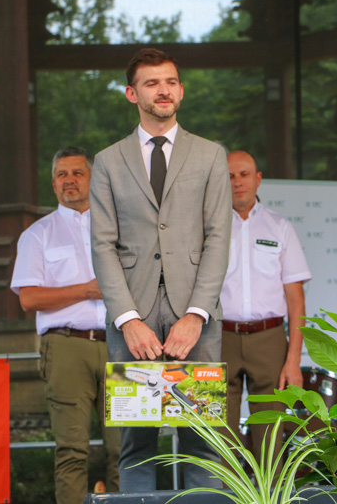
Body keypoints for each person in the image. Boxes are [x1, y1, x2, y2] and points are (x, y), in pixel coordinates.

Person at [89, 48, 232, 491]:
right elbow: (102, 244)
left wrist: (196, 314)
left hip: (198, 317)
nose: (163, 90)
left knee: (203, 438)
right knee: (136, 441)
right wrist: (128, 319)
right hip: (133, 316)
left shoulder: (210, 155)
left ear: (181, 90)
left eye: (170, 81)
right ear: (133, 93)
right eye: (152, 83)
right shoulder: (108, 161)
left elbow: (218, 238)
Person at [10, 146, 121, 503]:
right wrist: (86, 290)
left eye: (77, 173)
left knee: (125, 449)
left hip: (122, 342)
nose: (69, 181)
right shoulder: (38, 234)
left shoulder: (120, 227)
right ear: (53, 184)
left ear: (93, 178)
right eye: (61, 175)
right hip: (66, 345)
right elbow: (28, 299)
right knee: (72, 449)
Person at [220, 150, 310, 465]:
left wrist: (294, 360)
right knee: (219, 436)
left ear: (258, 179)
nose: (237, 182)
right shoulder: (208, 229)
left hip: (269, 338)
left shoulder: (279, 227)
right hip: (220, 338)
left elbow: (296, 299)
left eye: (244, 174)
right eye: (230, 176)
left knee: (271, 435)